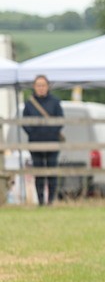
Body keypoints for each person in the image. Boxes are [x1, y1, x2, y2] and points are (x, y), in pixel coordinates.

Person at [22, 75, 64, 206]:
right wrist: (33, 133)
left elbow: (61, 120)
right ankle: (40, 200)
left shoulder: (55, 102)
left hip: (52, 141)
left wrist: (52, 132)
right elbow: (24, 122)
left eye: (43, 85)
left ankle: (51, 200)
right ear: (34, 87)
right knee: (39, 172)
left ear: (48, 86)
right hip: (35, 142)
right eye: (38, 85)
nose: (41, 88)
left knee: (52, 171)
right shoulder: (29, 104)